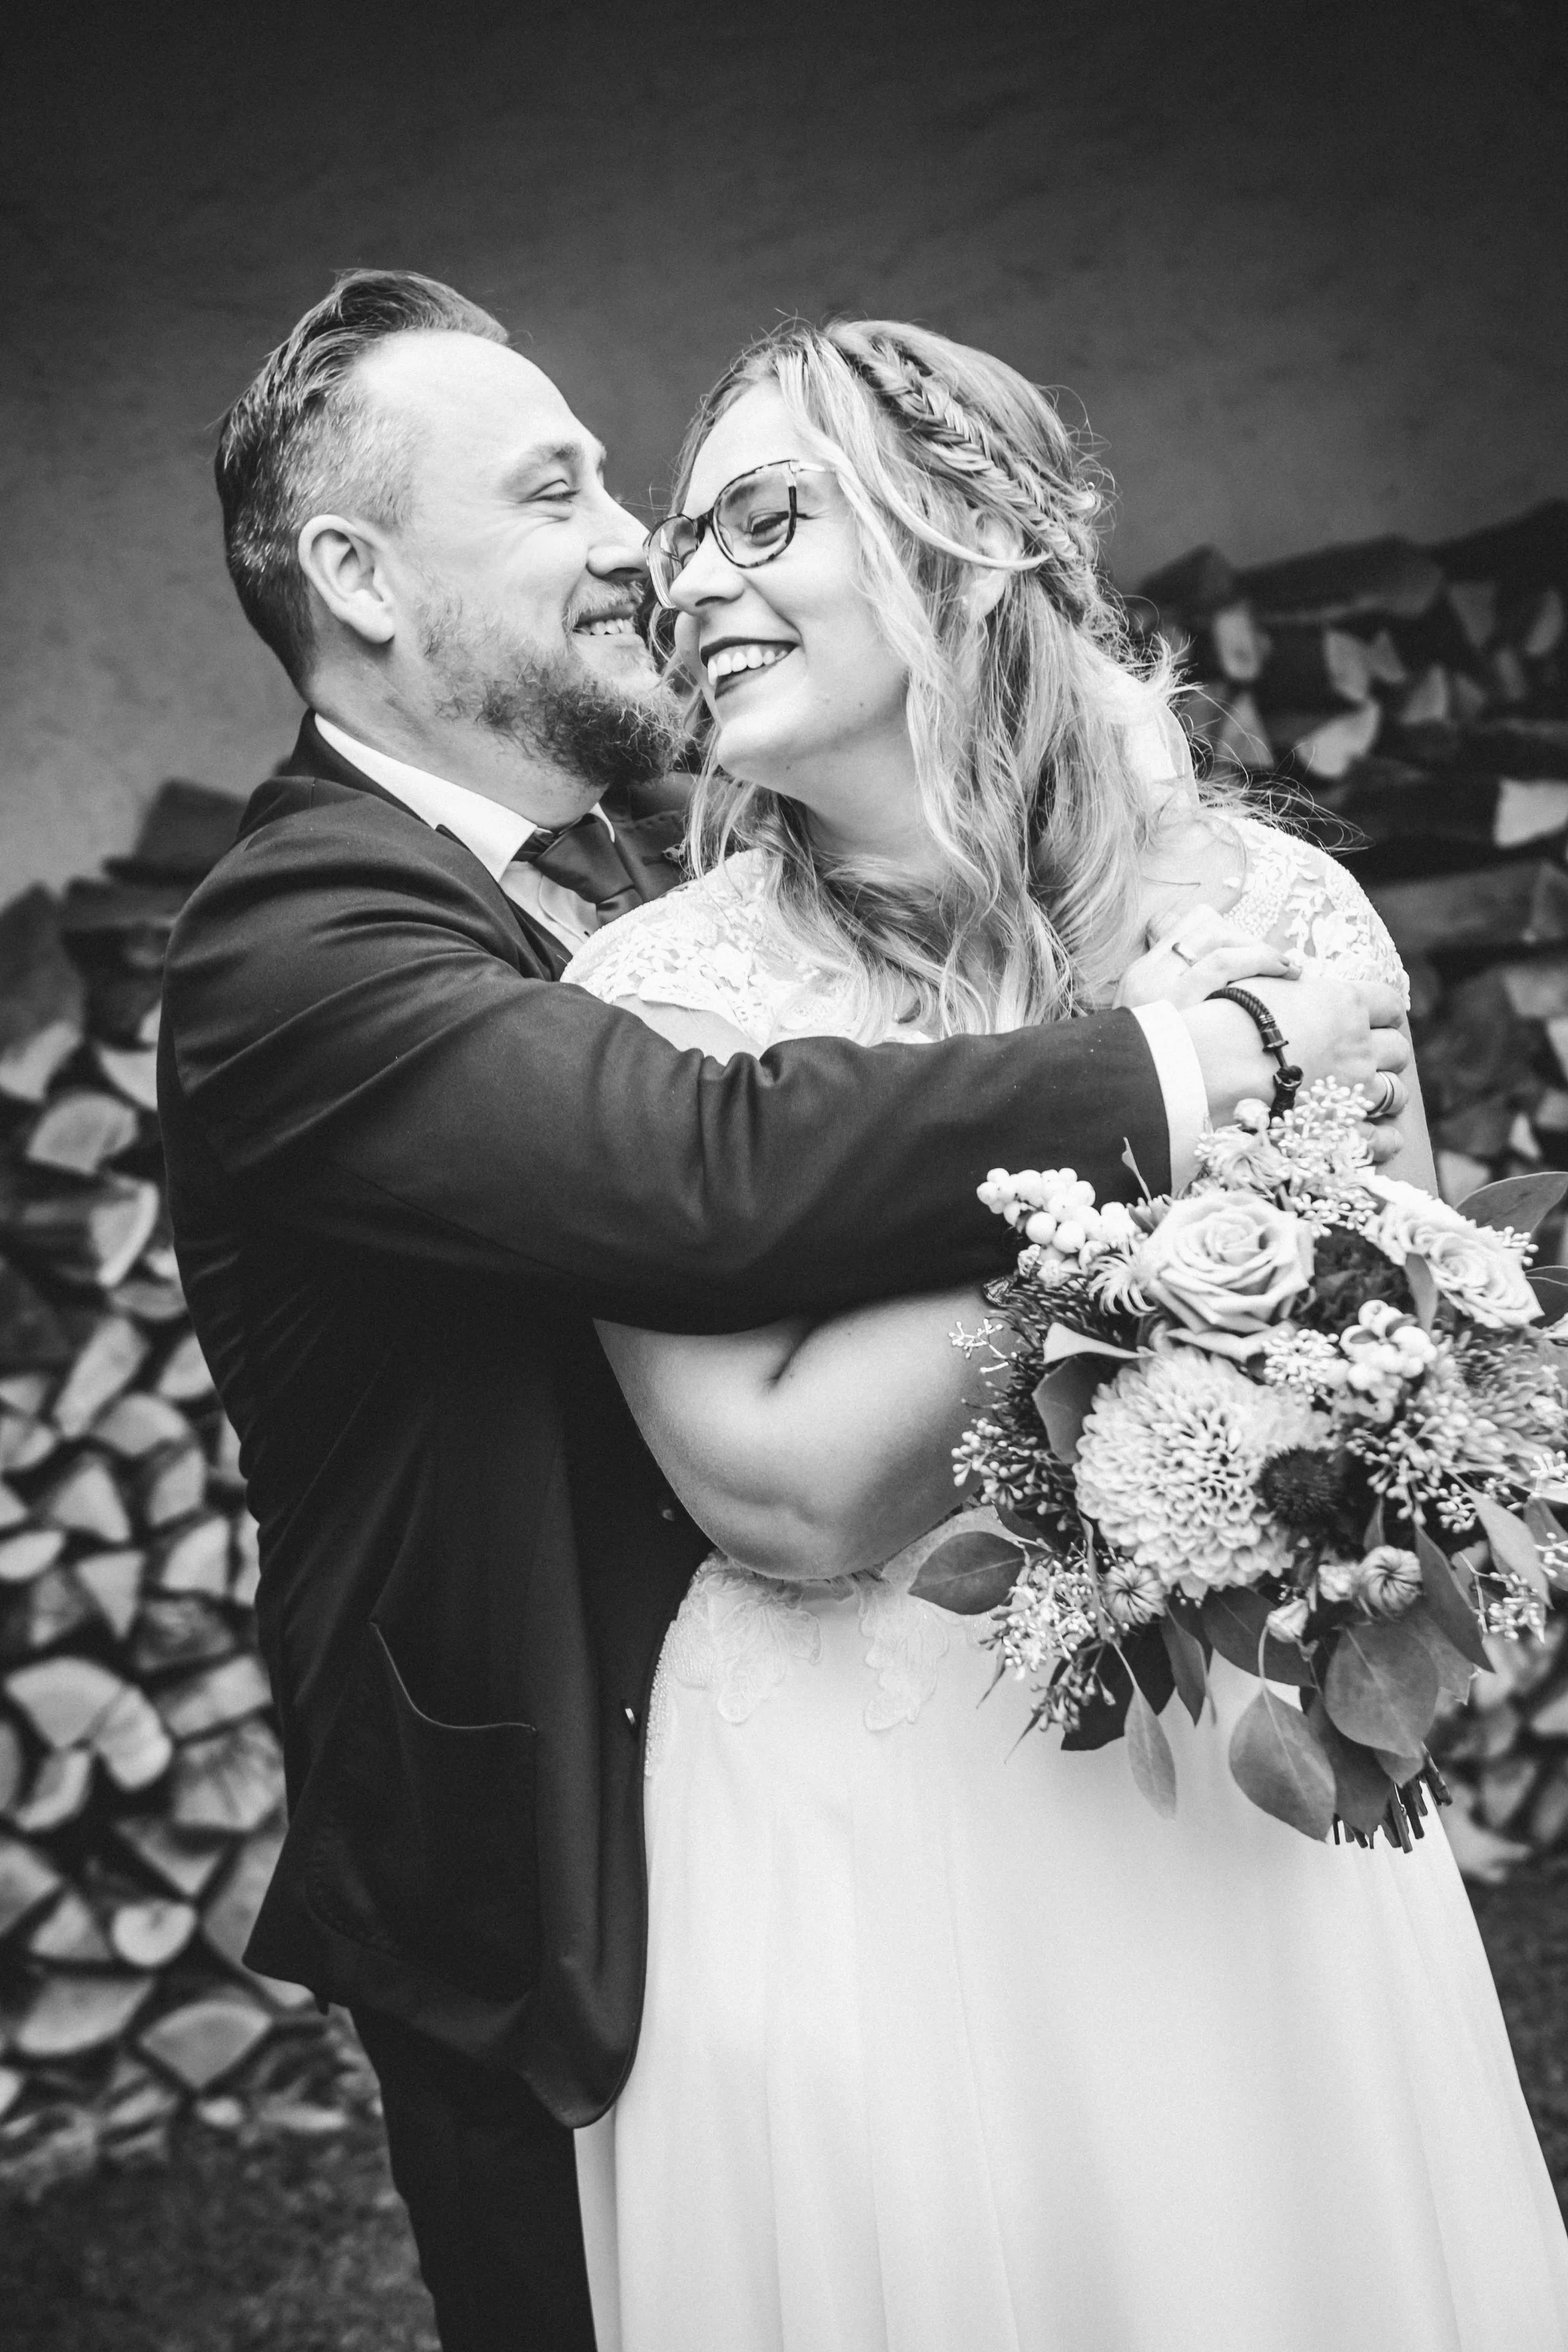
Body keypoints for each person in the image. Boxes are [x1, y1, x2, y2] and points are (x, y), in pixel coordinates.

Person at [158, 270, 1404, 2352]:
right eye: (559, 491)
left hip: (1013, 1778)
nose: (636, 550)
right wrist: (1190, 1085)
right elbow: (703, 1171)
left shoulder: (641, 862)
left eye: (702, 508)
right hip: (562, 1874)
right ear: (358, 578)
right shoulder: (297, 936)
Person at [563, 317, 1568, 2352]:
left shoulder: (1280, 918)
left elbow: (1403, 1371)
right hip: (857, 1811)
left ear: (972, 533)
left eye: (765, 512)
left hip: (1225, 1782)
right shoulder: (653, 997)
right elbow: (776, 1483)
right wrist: (1169, 1151)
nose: (691, 582)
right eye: (679, 545)